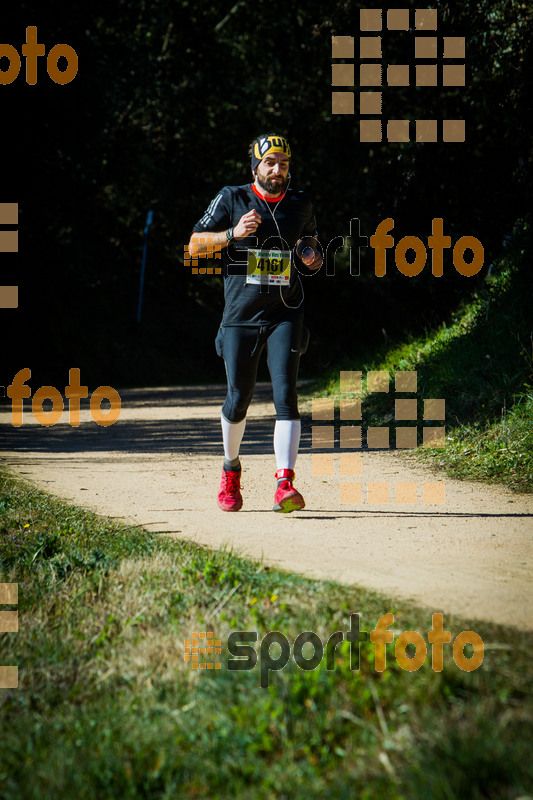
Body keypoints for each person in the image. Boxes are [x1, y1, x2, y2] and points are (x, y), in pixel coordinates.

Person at [188, 133, 322, 513]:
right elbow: (195, 245)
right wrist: (232, 234)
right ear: (255, 167)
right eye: (270, 163)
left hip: (285, 312)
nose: (277, 170)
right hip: (240, 317)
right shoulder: (232, 198)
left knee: (286, 396)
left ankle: (285, 483)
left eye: (284, 164)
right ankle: (231, 471)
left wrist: (312, 257)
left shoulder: (301, 204)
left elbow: (311, 245)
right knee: (238, 399)